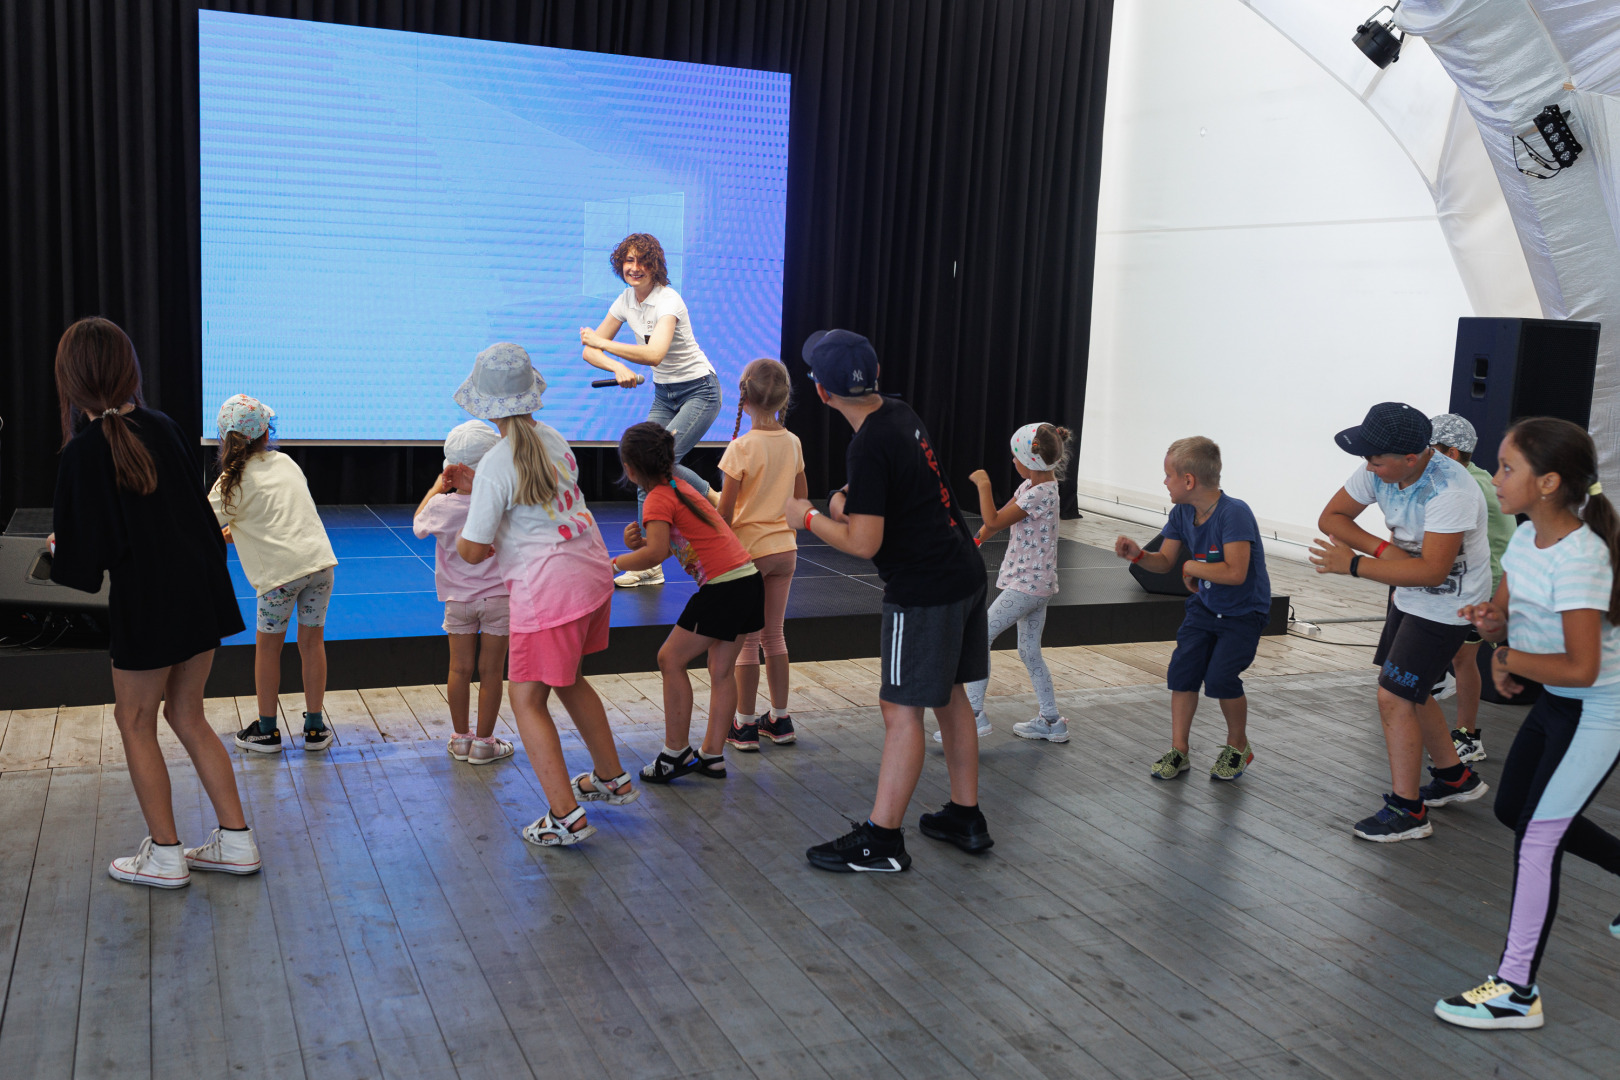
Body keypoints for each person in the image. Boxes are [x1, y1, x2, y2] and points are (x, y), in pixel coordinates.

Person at [49, 317, 260, 887]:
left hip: (148, 606)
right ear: (129, 370)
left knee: (135, 718)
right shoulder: (165, 427)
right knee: (188, 714)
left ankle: (166, 855)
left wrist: (58, 545)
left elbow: (78, 571)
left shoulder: (82, 454)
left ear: (70, 382)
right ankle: (237, 842)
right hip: (202, 595)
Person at [1435, 417, 1620, 1031]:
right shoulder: (1524, 537)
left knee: (1538, 837)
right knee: (1515, 811)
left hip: (1599, 711)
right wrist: (1493, 627)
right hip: (1557, 703)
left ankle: (1517, 990)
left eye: (1507, 468)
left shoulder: (1583, 558)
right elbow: (1507, 613)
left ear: (1548, 482)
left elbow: (1583, 666)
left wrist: (1511, 659)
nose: (1497, 476)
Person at [784, 329, 991, 872]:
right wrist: (841, 500)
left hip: (924, 590)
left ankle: (882, 839)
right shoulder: (900, 414)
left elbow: (862, 543)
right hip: (963, 570)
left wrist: (806, 517)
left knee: (900, 709)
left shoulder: (867, 443)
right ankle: (965, 815)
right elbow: (901, 497)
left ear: (822, 393)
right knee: (949, 694)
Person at [455, 344, 639, 846]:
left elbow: (472, 550)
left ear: (483, 405)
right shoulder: (553, 438)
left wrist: (463, 512)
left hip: (549, 592)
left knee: (526, 698)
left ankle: (566, 816)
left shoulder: (496, 463)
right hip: (591, 574)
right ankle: (610, 777)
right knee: (570, 678)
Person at [1312, 402, 1489, 842]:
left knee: (1393, 697)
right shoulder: (1378, 469)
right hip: (1408, 591)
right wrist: (1384, 552)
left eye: (1376, 459)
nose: (1367, 466)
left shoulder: (1451, 490)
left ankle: (1409, 812)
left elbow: (1432, 571)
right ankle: (1453, 778)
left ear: (1412, 458)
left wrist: (1353, 565)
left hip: (1451, 602)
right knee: (1412, 688)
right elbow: (1331, 517)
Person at [612, 422, 765, 780]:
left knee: (670, 658)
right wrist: (641, 545)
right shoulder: (679, 487)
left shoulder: (657, 497)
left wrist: (613, 562)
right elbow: (662, 545)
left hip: (723, 588)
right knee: (721, 670)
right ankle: (712, 755)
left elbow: (656, 553)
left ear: (630, 468)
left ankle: (675, 753)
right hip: (748, 580)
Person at [1115, 437, 1271, 780]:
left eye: (1168, 475)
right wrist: (1139, 555)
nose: (1164, 482)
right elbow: (1165, 561)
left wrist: (1191, 568)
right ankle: (1179, 751)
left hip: (1243, 612)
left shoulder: (1235, 514)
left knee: (1220, 678)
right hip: (1205, 607)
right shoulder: (1182, 512)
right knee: (1183, 674)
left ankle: (1238, 747)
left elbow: (1235, 571)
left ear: (1188, 481)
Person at [579, 232, 723, 587]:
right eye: (628, 261)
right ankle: (649, 562)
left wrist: (603, 343)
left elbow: (654, 354)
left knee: (661, 464)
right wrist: (616, 367)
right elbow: (588, 351)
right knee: (645, 470)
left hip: (699, 391)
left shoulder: (668, 301)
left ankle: (717, 500)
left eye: (642, 261)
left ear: (655, 265)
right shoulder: (626, 299)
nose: (635, 268)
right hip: (664, 393)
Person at [208, 395, 338, 754]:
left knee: (268, 650)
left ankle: (266, 730)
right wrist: (239, 531)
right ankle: (314, 728)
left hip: (281, 578)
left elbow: (198, 525)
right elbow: (280, 516)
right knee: (312, 645)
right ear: (267, 433)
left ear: (224, 439)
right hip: (321, 566)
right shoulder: (285, 462)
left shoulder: (229, 484)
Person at [956, 422, 1073, 744]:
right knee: (1029, 651)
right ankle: (1052, 721)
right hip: (1039, 585)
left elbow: (992, 517)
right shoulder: (1032, 488)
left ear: (1030, 459)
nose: (1012, 461)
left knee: (979, 635)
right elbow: (997, 522)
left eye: (1014, 456)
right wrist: (974, 542)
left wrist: (983, 485)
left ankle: (974, 715)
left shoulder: (1039, 494)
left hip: (1026, 587)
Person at [717, 359, 806, 751]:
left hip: (750, 554)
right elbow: (802, 497)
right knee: (775, 636)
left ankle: (745, 724)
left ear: (744, 397)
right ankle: (781, 719)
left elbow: (725, 514)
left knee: (748, 641)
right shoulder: (793, 442)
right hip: (786, 549)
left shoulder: (740, 448)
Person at [413, 420, 512, 765]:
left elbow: (418, 522)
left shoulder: (441, 506)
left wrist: (438, 489)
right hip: (500, 599)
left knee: (459, 669)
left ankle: (459, 739)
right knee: (492, 671)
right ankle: (485, 743)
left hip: (458, 602)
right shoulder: (503, 502)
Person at [1429, 413, 1517, 764]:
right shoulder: (1470, 478)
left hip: (1489, 588)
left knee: (1465, 659)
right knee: (1464, 659)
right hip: (1483, 585)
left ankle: (1466, 734)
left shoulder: (1470, 487)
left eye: (1427, 450)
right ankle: (1463, 727)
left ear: (1450, 454)